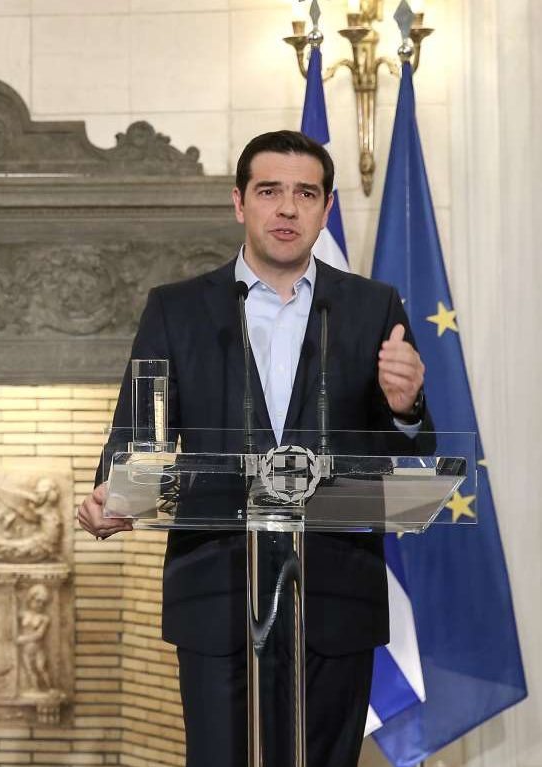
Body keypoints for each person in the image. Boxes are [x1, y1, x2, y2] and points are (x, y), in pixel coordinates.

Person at [76, 130, 429, 767]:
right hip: (217, 600)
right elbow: (134, 438)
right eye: (269, 191)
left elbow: (404, 457)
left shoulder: (373, 307)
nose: (287, 208)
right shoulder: (177, 310)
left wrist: (405, 407)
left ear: (326, 208)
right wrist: (112, 495)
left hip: (335, 603)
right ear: (239, 202)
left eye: (306, 194)